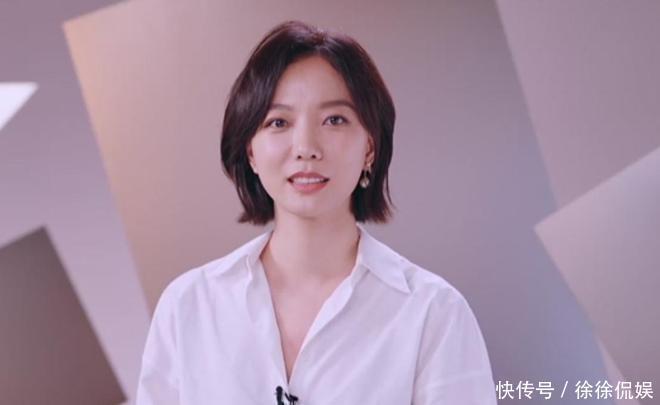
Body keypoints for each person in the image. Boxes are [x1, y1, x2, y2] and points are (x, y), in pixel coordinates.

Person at [136, 20, 496, 405]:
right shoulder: (189, 305)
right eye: (278, 122)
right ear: (251, 151)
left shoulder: (433, 313)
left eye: (334, 120)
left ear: (370, 147)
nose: (306, 146)